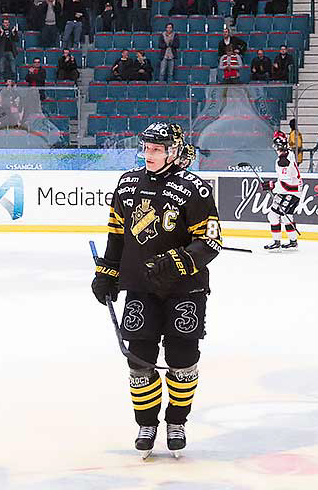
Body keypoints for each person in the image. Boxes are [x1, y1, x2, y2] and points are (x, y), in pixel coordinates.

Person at [91, 122, 223, 458]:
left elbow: (210, 242)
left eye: (156, 149)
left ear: (173, 151)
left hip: (185, 291)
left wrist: (177, 260)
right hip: (140, 287)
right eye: (145, 148)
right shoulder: (126, 184)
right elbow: (117, 237)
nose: (148, 155)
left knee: (182, 359)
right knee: (139, 361)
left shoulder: (196, 190)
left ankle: (176, 421)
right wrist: (107, 273)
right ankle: (146, 423)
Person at [262, 131, 302, 251]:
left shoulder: (283, 162)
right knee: (280, 216)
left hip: (291, 192)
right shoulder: (288, 155)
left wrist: (271, 185)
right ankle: (288, 241)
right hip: (290, 190)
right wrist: (273, 185)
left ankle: (282, 241)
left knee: (279, 216)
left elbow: (287, 185)